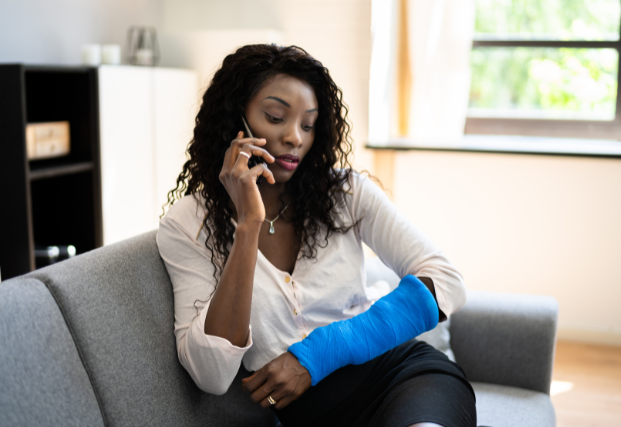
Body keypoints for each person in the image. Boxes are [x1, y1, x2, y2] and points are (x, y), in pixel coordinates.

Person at [157, 44, 476, 427]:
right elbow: (211, 374)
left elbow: (447, 283)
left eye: (308, 125)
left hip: (403, 377)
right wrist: (248, 226)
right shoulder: (188, 223)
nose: (295, 138)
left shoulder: (347, 194)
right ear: (234, 121)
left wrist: (317, 354)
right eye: (276, 117)